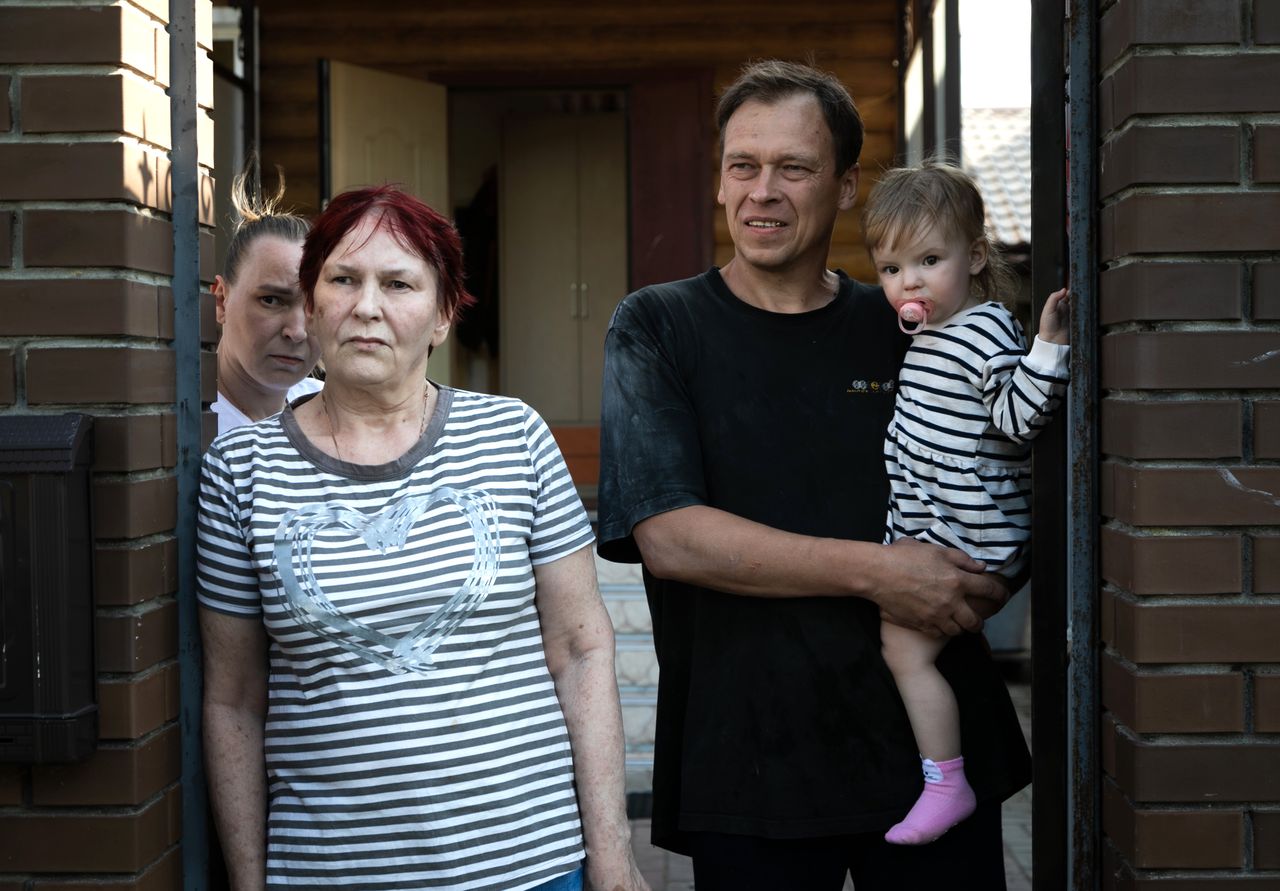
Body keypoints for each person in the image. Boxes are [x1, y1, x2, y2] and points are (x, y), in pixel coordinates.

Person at [598, 60, 1030, 889]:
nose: (763, 190)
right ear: (721, 182)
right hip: (752, 763)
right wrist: (885, 574)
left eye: (792, 167)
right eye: (742, 165)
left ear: (844, 184)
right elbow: (670, 536)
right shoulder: (658, 325)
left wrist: (990, 577)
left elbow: (1013, 461)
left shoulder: (915, 326)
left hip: (927, 756)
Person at [198, 185, 648, 891]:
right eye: (342, 279)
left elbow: (582, 649)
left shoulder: (515, 438)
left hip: (530, 864)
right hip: (329, 872)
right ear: (313, 303)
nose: (366, 306)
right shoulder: (240, 472)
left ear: (441, 316)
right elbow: (234, 697)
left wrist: (613, 855)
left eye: (398, 283)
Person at [864, 162, 1070, 845]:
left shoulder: (983, 330)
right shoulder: (928, 333)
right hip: (943, 523)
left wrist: (1047, 347)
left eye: (928, 259)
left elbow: (1017, 418)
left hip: (975, 534)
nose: (909, 281)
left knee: (902, 645)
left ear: (975, 256)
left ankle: (946, 780)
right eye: (892, 267)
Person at [211, 168, 321, 435]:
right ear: (222, 301)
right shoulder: (182, 428)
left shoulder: (335, 411)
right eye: (271, 300)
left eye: (316, 307)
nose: (296, 332)